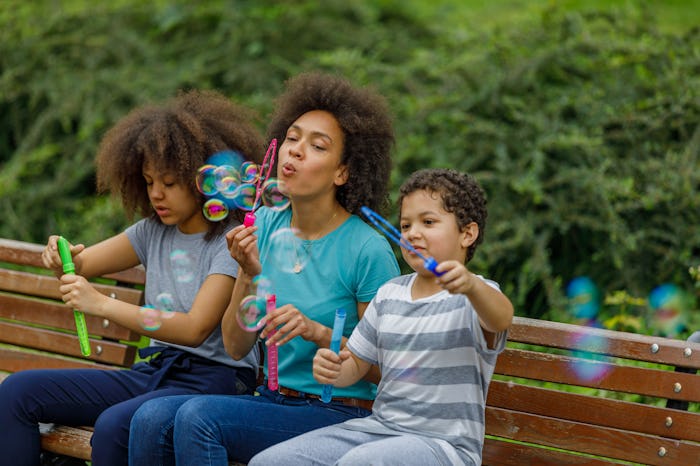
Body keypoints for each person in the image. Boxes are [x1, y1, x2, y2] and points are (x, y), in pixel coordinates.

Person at [128, 71, 401, 466]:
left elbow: (388, 369)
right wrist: (248, 272)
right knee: (150, 418)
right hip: (273, 399)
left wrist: (318, 332)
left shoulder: (367, 249)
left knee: (199, 419)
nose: (296, 151)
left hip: (341, 412)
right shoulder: (266, 223)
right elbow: (237, 344)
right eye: (291, 138)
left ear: (343, 172)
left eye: (317, 146)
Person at [0, 90, 266, 466]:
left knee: (114, 427)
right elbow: (79, 264)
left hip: (215, 382)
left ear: (202, 179)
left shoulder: (231, 241)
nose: (157, 193)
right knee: (16, 393)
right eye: (148, 181)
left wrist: (101, 304)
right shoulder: (150, 231)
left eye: (170, 183)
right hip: (157, 371)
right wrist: (60, 256)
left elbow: (194, 329)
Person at [249, 168, 515, 466]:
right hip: (379, 430)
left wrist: (470, 285)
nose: (412, 233)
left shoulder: (476, 296)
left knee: (361, 462)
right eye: (405, 225)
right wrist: (336, 368)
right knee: (272, 461)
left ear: (468, 233)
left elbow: (501, 318)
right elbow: (358, 364)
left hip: (444, 447)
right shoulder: (390, 294)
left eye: (428, 222)